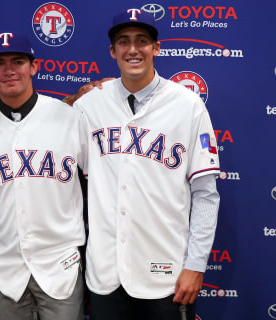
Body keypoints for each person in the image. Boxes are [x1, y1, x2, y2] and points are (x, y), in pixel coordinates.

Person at [65, 9, 221, 320]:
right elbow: (40, 133)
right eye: (123, 42)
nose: (133, 49)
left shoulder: (187, 104)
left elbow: (205, 193)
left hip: (167, 274)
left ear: (156, 47)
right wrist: (0, 104)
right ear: (112, 51)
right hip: (106, 274)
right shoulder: (89, 105)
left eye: (142, 41)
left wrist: (195, 264)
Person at [0, 31, 87, 320]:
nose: (9, 70)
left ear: (33, 66)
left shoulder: (70, 116)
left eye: (17, 61)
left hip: (59, 264)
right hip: (5, 267)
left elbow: (103, 174)